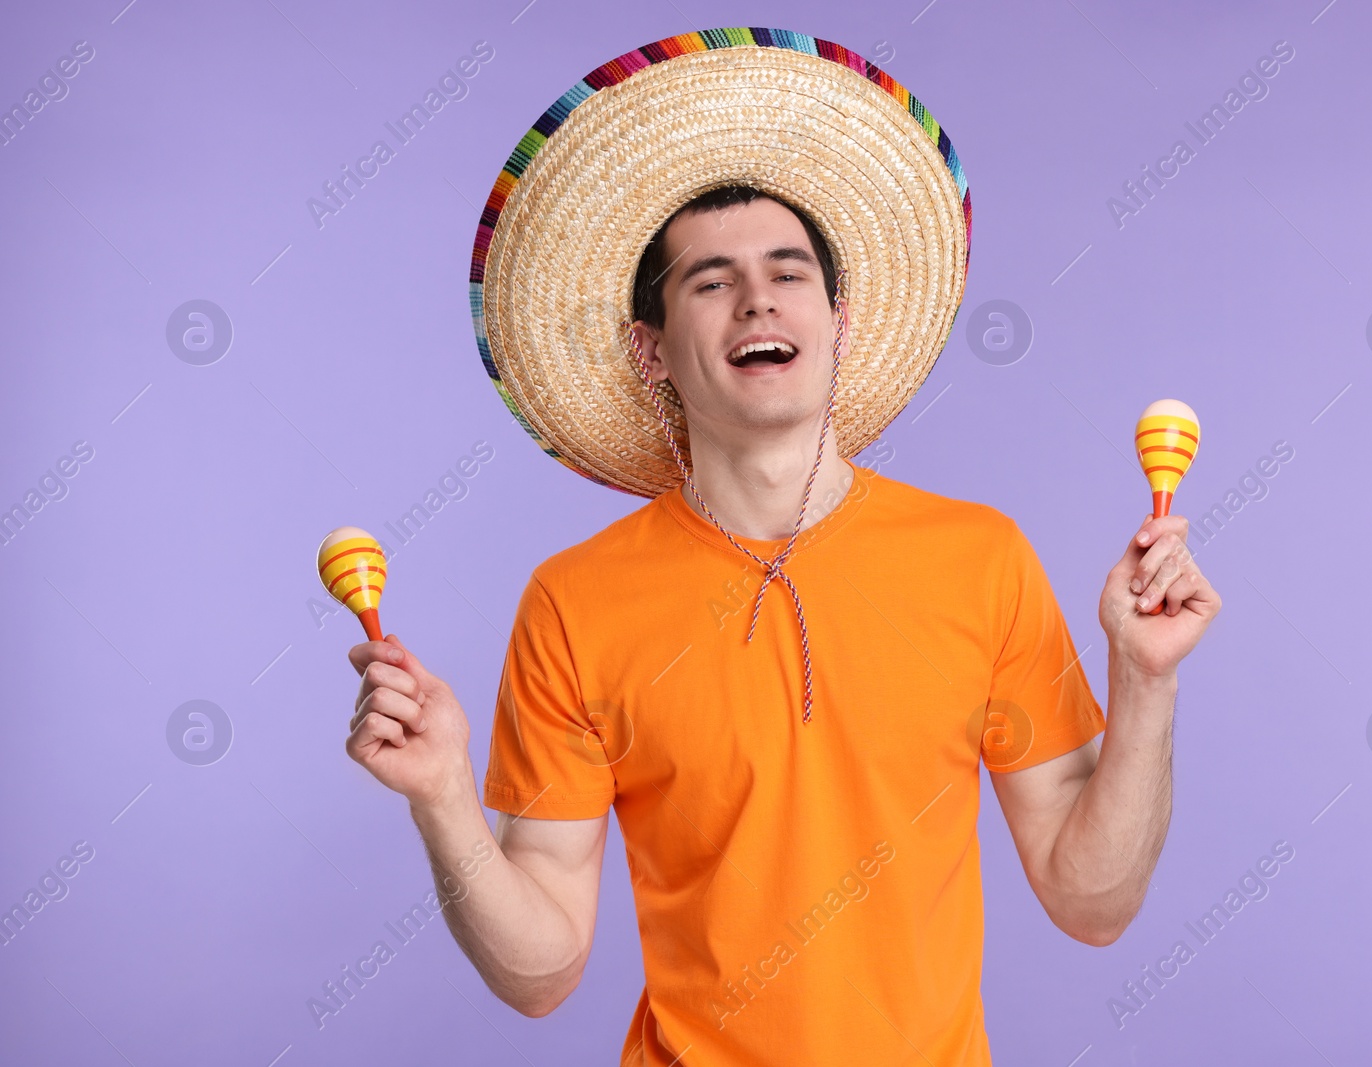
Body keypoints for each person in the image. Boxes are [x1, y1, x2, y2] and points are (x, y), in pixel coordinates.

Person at [344, 29, 1218, 1066]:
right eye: (710, 281)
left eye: (787, 271)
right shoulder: (574, 601)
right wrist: (444, 797)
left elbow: (1092, 901)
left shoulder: (979, 558)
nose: (758, 297)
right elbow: (541, 973)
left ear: (838, 319)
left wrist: (1145, 680)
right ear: (651, 348)